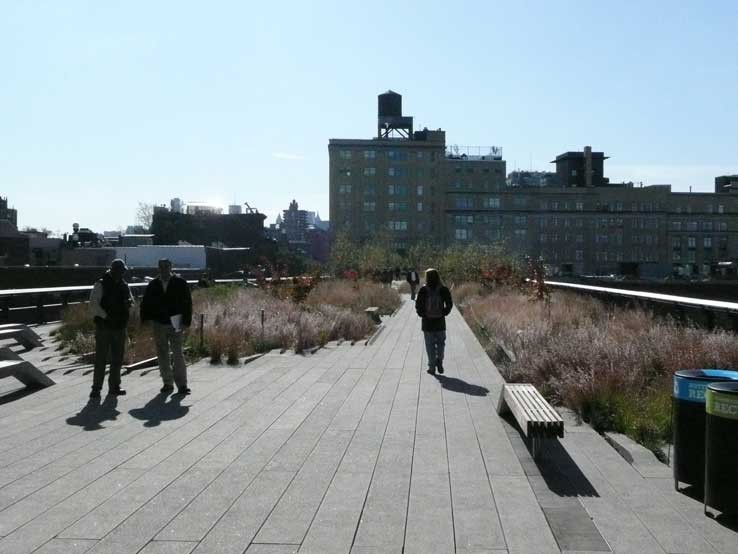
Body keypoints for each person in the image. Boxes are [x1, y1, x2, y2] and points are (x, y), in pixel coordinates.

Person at [141, 259, 193, 395]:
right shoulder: (153, 284)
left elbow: (187, 302)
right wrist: (145, 319)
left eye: (166, 266)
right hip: (159, 322)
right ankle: (167, 383)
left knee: (177, 353)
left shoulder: (180, 283)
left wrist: (186, 321)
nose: (163, 269)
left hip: (176, 320)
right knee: (162, 353)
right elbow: (145, 303)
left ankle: (182, 384)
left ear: (171, 267)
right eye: (161, 266)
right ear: (158, 268)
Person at [89, 259, 133, 398]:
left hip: (119, 326)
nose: (122, 273)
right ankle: (96, 388)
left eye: (123, 271)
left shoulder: (124, 285)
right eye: (120, 271)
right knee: (101, 358)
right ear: (113, 270)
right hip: (105, 326)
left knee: (117, 359)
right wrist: (106, 316)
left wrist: (129, 304)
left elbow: (132, 301)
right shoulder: (100, 284)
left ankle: (114, 386)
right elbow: (94, 304)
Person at [415, 268, 453, 375]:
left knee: (430, 345)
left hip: (427, 322)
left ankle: (432, 367)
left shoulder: (423, 290)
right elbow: (449, 303)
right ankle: (439, 359)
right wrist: (444, 313)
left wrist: (423, 314)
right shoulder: (443, 289)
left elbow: (418, 305)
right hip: (440, 321)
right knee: (441, 343)